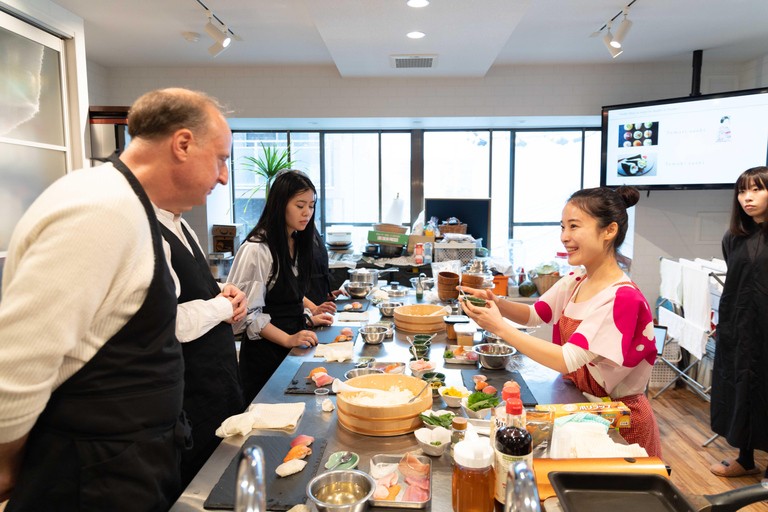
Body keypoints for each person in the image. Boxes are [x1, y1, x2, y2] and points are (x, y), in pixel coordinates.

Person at [0, 88, 231, 510]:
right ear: (182, 144)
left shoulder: (133, 208)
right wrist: (8, 466)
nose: (223, 177)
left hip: (129, 461)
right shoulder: (102, 210)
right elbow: (18, 363)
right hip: (91, 474)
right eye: (220, 158)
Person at [461, 186, 662, 458]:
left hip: (619, 423)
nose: (564, 237)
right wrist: (496, 302)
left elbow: (567, 359)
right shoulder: (578, 279)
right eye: (562, 227)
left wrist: (499, 326)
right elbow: (535, 314)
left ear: (609, 231)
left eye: (574, 226)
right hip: (585, 409)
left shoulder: (622, 298)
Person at [156, 206, 246, 487]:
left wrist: (223, 288)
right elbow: (169, 321)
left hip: (220, 377)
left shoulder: (181, 226)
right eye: (216, 162)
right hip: (192, 387)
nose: (219, 179)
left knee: (229, 464)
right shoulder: (149, 232)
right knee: (202, 479)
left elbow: (196, 287)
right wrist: (222, 306)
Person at [228, 170, 333, 403]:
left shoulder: (295, 242)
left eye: (312, 206)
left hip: (291, 353)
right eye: (300, 205)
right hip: (265, 358)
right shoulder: (258, 248)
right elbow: (246, 314)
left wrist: (308, 318)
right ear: (279, 204)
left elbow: (287, 301)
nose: (307, 213)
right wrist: (287, 339)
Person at [710, 166, 768, 483]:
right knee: (741, 388)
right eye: (743, 191)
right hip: (739, 328)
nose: (748, 197)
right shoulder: (734, 237)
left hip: (766, 330)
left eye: (757, 189)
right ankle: (746, 460)